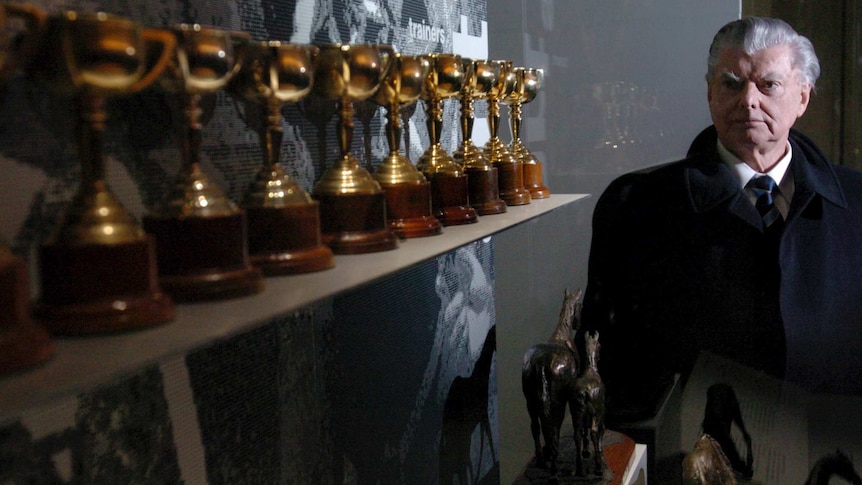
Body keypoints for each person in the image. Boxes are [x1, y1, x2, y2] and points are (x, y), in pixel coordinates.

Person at [581, 17, 862, 422]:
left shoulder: (857, 204)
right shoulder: (636, 205)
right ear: (710, 92)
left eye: (769, 85)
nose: (748, 100)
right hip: (687, 457)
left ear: (802, 97)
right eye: (732, 83)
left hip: (831, 453)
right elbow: (607, 355)